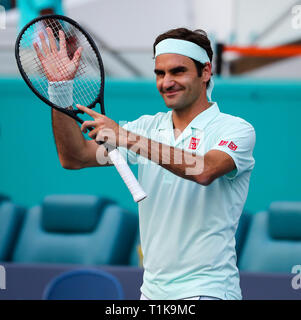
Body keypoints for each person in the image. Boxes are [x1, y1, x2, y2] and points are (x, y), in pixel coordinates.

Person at [35, 27, 256, 300]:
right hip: (151, 293)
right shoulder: (146, 128)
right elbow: (75, 156)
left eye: (178, 71)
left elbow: (205, 170)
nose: (166, 82)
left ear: (206, 72)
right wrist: (60, 91)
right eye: (160, 73)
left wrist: (126, 138)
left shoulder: (236, 129)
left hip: (208, 291)